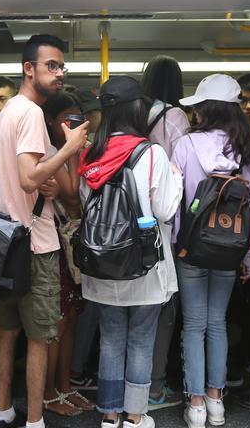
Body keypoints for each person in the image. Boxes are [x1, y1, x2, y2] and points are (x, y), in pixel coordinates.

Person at [0, 34, 88, 428]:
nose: (59, 73)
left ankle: (3, 410)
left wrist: (50, 173)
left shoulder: (8, 112)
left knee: (6, 331)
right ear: (28, 69)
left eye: (61, 66)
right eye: (51, 65)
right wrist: (69, 149)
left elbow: (30, 178)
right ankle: (34, 422)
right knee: (39, 339)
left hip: (5, 245)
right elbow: (30, 179)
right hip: (34, 246)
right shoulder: (30, 113)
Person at [78, 76, 183, 428]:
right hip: (143, 265)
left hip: (102, 263)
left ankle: (109, 416)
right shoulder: (152, 153)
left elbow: (85, 204)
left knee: (110, 340)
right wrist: (177, 178)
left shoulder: (91, 153)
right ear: (138, 109)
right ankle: (135, 417)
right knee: (141, 341)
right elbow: (166, 210)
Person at [171, 74, 250, 428]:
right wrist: (247, 257)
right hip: (230, 250)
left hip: (191, 248)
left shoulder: (184, 145)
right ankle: (216, 401)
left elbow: (177, 203)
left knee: (193, 325)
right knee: (218, 324)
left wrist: (179, 247)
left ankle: (195, 406)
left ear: (205, 109)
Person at [140, 55, 189, 411]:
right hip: (166, 221)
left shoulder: (138, 114)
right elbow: (182, 170)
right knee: (165, 308)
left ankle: (133, 386)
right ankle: (155, 387)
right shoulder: (176, 116)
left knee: (137, 308)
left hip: (135, 219)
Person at [41, 92, 95, 417]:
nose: (75, 126)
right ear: (52, 122)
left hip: (73, 242)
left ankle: (65, 386)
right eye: (68, 121)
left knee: (73, 317)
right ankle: (49, 393)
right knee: (59, 323)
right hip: (55, 243)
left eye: (78, 120)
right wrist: (73, 150)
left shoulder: (74, 150)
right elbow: (73, 195)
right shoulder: (51, 152)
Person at [141, 55, 190, 157]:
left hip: (138, 171)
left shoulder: (137, 111)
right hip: (165, 172)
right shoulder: (175, 115)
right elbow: (184, 156)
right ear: (176, 82)